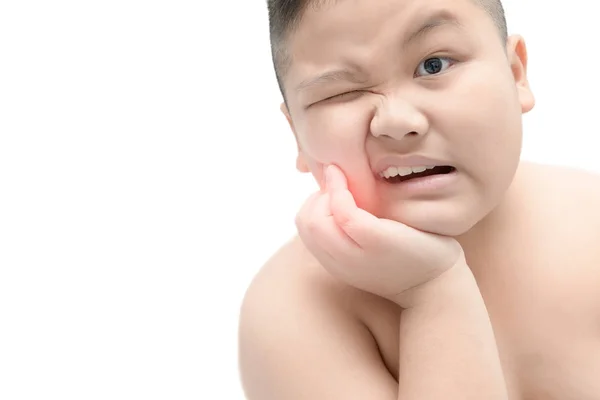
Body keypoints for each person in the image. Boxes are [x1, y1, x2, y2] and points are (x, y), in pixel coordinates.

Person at [238, 0, 600, 398]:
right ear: (297, 134)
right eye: (343, 92)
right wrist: (432, 293)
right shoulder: (292, 312)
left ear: (516, 75)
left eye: (435, 64)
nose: (397, 121)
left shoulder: (590, 227)